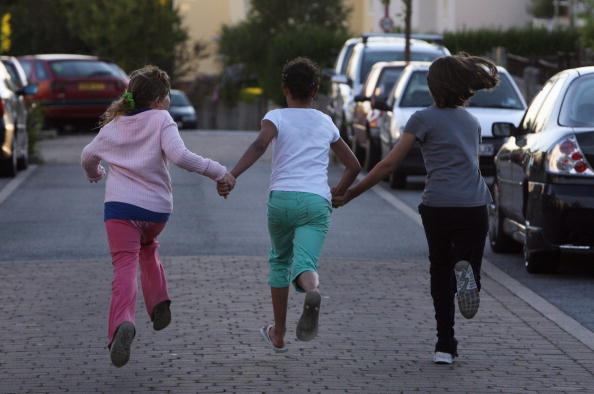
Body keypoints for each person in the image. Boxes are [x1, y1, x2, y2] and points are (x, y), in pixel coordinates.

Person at [333, 53, 497, 364]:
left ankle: (444, 344)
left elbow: (390, 163)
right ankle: (469, 278)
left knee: (439, 270)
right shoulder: (472, 122)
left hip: (437, 205)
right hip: (473, 203)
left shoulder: (422, 118)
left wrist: (352, 193)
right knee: (468, 260)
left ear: (434, 89)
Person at [81, 65, 235, 367]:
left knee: (124, 267)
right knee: (148, 247)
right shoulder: (162, 119)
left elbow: (88, 155)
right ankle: (158, 301)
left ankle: (122, 324)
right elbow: (180, 157)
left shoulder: (113, 125)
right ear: (159, 100)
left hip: (119, 210)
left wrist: (95, 172)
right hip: (156, 212)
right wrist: (220, 172)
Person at [219, 57, 360, 352]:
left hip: (282, 200)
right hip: (316, 201)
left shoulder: (276, 117)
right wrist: (339, 192)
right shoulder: (325, 121)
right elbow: (353, 164)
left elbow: (259, 145)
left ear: (285, 89)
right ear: (315, 90)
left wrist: (232, 175)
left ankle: (279, 333)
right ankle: (312, 290)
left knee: (280, 261)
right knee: (306, 263)